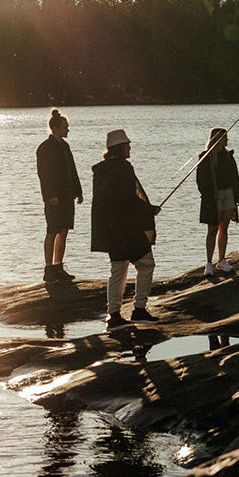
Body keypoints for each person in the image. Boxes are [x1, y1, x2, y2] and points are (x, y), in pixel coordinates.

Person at [91, 128, 161, 329]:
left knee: (118, 270)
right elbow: (129, 200)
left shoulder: (101, 171)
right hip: (128, 229)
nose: (130, 147)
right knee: (147, 265)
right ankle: (139, 309)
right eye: (127, 144)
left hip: (110, 230)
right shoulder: (124, 168)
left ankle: (113, 315)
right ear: (119, 148)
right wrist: (150, 209)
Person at [36, 108, 82, 283]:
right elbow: (44, 175)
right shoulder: (45, 148)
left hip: (67, 195)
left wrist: (78, 191)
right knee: (52, 231)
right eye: (65, 127)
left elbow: (72, 170)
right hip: (54, 198)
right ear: (55, 127)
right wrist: (50, 196)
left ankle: (58, 266)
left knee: (64, 231)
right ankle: (48, 269)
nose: (68, 129)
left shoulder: (65, 146)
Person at [196, 127, 239, 277]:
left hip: (228, 193)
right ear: (216, 139)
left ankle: (221, 260)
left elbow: (235, 177)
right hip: (213, 197)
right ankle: (209, 263)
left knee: (224, 227)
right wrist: (208, 197)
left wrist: (238, 196)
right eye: (224, 138)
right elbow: (201, 181)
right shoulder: (205, 157)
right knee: (212, 229)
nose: (227, 140)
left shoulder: (228, 156)